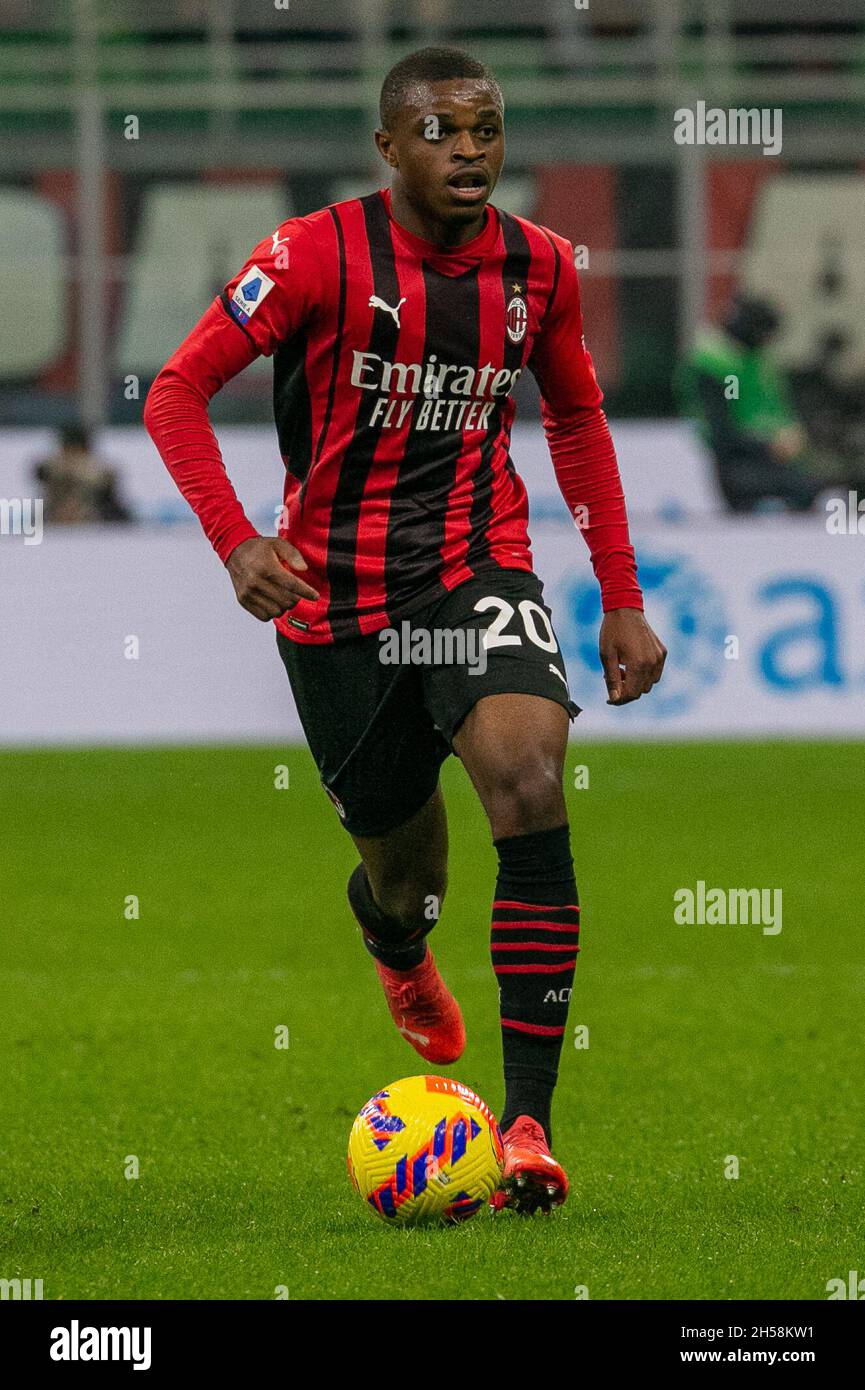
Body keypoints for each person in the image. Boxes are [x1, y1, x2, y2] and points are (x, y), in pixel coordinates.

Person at [144, 46, 666, 1215]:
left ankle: (526, 1121)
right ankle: (394, 945)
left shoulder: (539, 269)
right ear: (389, 148)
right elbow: (175, 392)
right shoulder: (308, 256)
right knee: (408, 871)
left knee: (529, 776)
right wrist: (237, 541)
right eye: (440, 131)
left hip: (475, 567)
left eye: (484, 129)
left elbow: (576, 418)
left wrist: (620, 591)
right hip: (336, 605)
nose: (468, 150)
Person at [676, 294, 825, 513]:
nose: (768, 341)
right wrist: (769, 445)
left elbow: (774, 407)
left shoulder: (757, 361)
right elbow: (724, 429)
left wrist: (793, 434)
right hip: (740, 464)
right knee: (803, 488)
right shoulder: (724, 369)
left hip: (774, 458)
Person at [33, 424, 134, 525]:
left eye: (76, 453)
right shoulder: (52, 471)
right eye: (68, 453)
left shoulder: (100, 476)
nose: (72, 460)